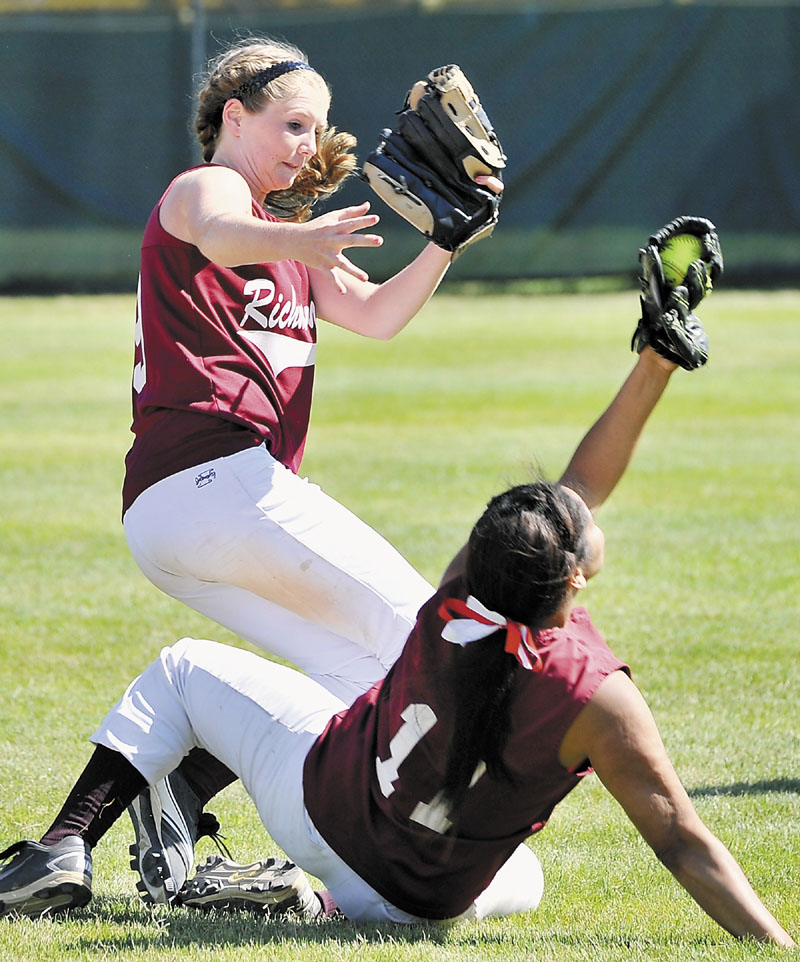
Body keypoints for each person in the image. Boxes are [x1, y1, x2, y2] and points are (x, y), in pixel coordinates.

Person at [0, 326, 793, 944]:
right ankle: (323, 904)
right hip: (427, 904)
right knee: (528, 879)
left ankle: (67, 846)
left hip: (320, 818)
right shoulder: (596, 695)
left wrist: (653, 360)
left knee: (181, 671)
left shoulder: (457, 601)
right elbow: (682, 842)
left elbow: (573, 492)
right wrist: (774, 944)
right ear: (574, 580)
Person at [120, 35, 503, 903]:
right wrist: (300, 234)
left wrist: (444, 242)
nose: (308, 142)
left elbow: (373, 316)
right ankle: (411, 844)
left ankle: (182, 793)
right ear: (233, 117)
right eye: (293, 122)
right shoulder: (211, 188)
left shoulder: (289, 238)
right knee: (428, 637)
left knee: (360, 681)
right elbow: (219, 233)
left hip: (186, 514)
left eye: (320, 127)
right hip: (215, 480)